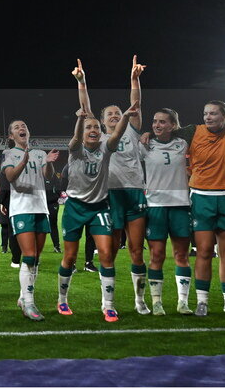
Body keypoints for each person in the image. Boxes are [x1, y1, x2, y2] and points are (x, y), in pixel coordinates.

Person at [148, 101, 225, 317]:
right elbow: (166, 130)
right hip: (201, 196)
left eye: (213, 113)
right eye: (205, 113)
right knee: (203, 252)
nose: (208, 117)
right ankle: (202, 302)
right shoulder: (193, 132)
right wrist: (147, 133)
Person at [75, 57, 150, 315]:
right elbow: (85, 109)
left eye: (119, 113)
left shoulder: (131, 131)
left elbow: (136, 104)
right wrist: (82, 82)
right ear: (103, 120)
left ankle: (140, 300)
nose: (115, 116)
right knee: (109, 253)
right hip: (110, 196)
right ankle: (109, 302)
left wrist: (134, 79)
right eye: (110, 114)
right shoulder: (101, 137)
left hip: (134, 192)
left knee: (137, 250)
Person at [58, 90, 138, 323]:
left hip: (99, 207)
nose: (92, 130)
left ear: (101, 132)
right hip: (75, 207)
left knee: (105, 254)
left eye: (96, 128)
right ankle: (62, 300)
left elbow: (119, 134)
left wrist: (125, 116)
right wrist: (80, 119)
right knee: (70, 257)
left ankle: (109, 306)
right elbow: (75, 137)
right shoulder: (75, 150)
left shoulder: (106, 147)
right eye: (88, 128)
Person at [1, 119, 59, 321]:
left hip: (40, 208)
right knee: (29, 255)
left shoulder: (39, 153)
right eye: (16, 127)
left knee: (36, 258)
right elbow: (10, 177)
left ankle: (22, 296)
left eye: (24, 125)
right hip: (22, 209)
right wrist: (23, 161)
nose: (21, 128)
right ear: (10, 136)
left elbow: (47, 176)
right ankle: (29, 303)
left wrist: (49, 163)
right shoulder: (9, 154)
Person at [139, 108, 193, 315]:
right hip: (155, 206)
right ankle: (157, 302)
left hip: (180, 205)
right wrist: (148, 134)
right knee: (157, 255)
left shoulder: (183, 143)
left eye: (163, 122)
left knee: (181, 255)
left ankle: (183, 302)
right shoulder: (145, 145)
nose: (157, 125)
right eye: (155, 122)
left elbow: (195, 129)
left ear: (173, 125)